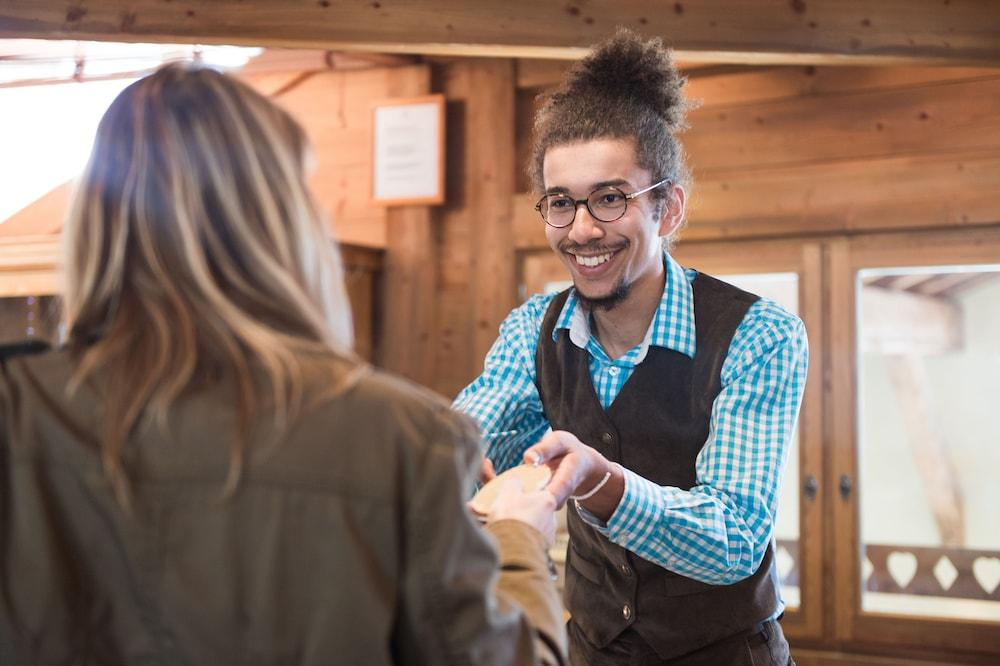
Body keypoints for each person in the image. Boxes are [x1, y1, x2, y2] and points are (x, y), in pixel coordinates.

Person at [0, 64, 566, 665]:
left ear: (95, 224)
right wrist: (518, 539)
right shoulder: (404, 438)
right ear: (285, 223)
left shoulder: (17, 408)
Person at [454, 30, 807, 665]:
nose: (583, 229)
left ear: (667, 209)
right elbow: (468, 434)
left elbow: (732, 540)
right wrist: (433, 459)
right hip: (590, 647)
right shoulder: (535, 328)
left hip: (726, 654)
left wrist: (603, 483)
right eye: (561, 203)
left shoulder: (758, 334)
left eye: (610, 198)